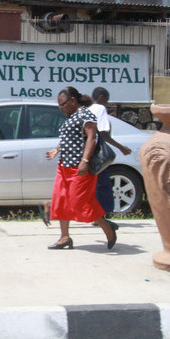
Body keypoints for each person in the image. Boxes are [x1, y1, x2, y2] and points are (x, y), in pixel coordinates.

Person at [44, 86, 118, 250]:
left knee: (81, 203)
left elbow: (92, 137)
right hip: (64, 166)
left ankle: (107, 227)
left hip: (79, 168)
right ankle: (64, 238)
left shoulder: (86, 114)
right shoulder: (71, 117)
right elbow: (69, 138)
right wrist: (57, 149)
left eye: (62, 104)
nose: (60, 108)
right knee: (61, 201)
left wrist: (85, 161)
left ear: (72, 100)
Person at [88, 87, 132, 225]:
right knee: (104, 186)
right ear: (101, 97)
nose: (107, 103)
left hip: (86, 154)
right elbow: (103, 133)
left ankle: (50, 207)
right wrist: (121, 147)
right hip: (96, 155)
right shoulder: (100, 109)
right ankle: (100, 217)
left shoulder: (87, 109)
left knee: (87, 187)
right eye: (106, 100)